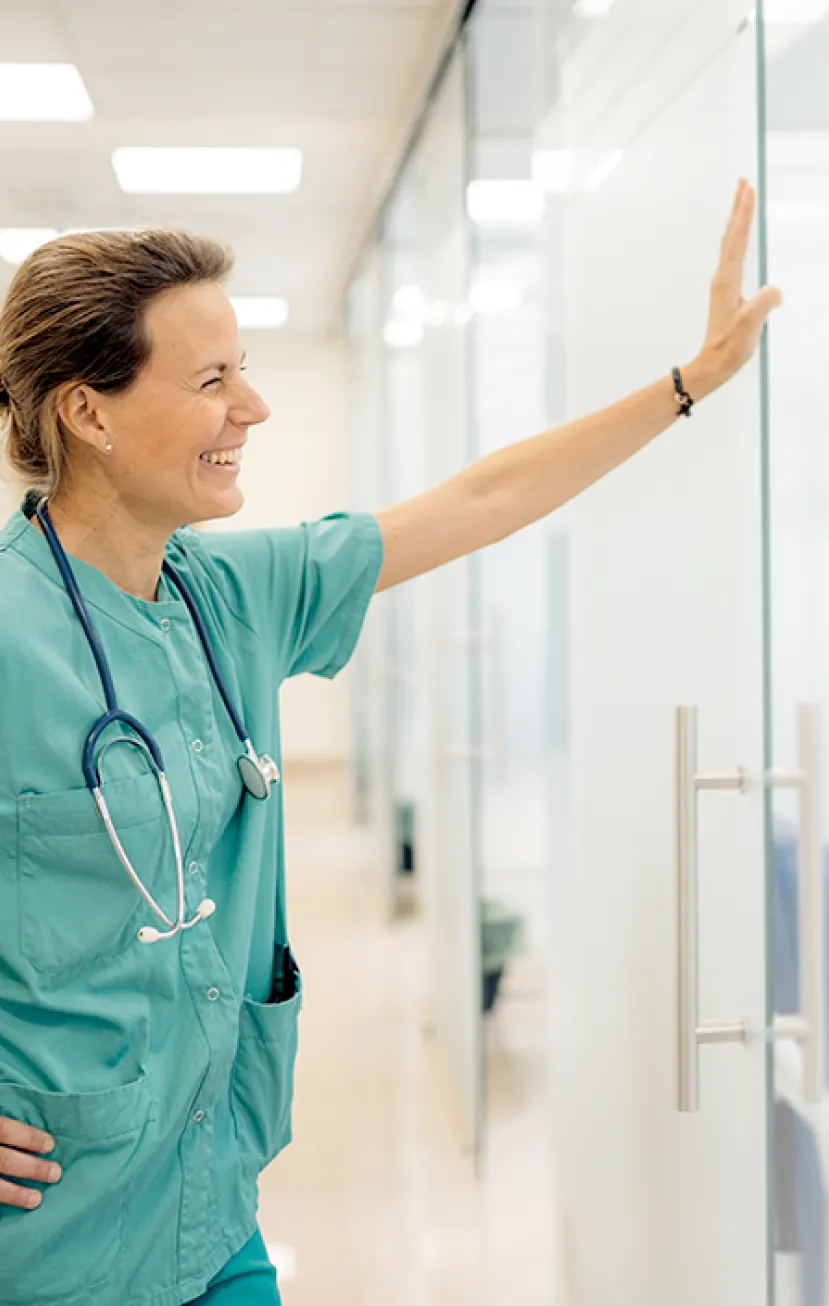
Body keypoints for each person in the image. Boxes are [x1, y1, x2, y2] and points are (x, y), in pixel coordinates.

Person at [0, 180, 779, 1306]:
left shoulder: (234, 592)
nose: (251, 408)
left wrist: (688, 385)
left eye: (248, 368)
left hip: (209, 1207)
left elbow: (480, 498)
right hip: (49, 1241)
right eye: (212, 380)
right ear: (89, 412)